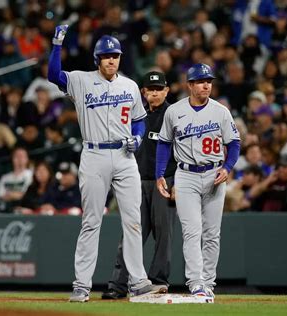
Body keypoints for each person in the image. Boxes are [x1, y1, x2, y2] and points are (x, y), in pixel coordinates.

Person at [47, 25, 154, 302]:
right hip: (94, 155)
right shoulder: (82, 80)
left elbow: (140, 120)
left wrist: (139, 139)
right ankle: (82, 285)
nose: (111, 60)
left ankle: (138, 281)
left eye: (115, 55)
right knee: (91, 221)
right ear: (97, 59)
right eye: (106, 56)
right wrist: (58, 44)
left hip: (124, 156)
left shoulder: (129, 85)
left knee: (133, 221)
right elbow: (52, 75)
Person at [155, 63, 241, 297]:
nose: (206, 85)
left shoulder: (220, 111)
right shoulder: (174, 111)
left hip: (214, 174)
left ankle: (209, 282)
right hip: (186, 176)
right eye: (201, 81)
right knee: (192, 231)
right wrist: (160, 173)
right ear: (190, 85)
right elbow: (164, 143)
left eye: (209, 81)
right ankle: (196, 282)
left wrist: (228, 167)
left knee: (212, 232)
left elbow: (233, 143)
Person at [102, 71, 177, 299]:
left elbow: (183, 152)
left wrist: (178, 183)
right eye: (150, 89)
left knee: (164, 235)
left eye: (159, 89)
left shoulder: (174, 115)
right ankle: (119, 285)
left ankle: (158, 282)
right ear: (143, 92)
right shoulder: (135, 115)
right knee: (131, 234)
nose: (154, 93)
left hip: (164, 181)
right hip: (135, 181)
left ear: (167, 90)